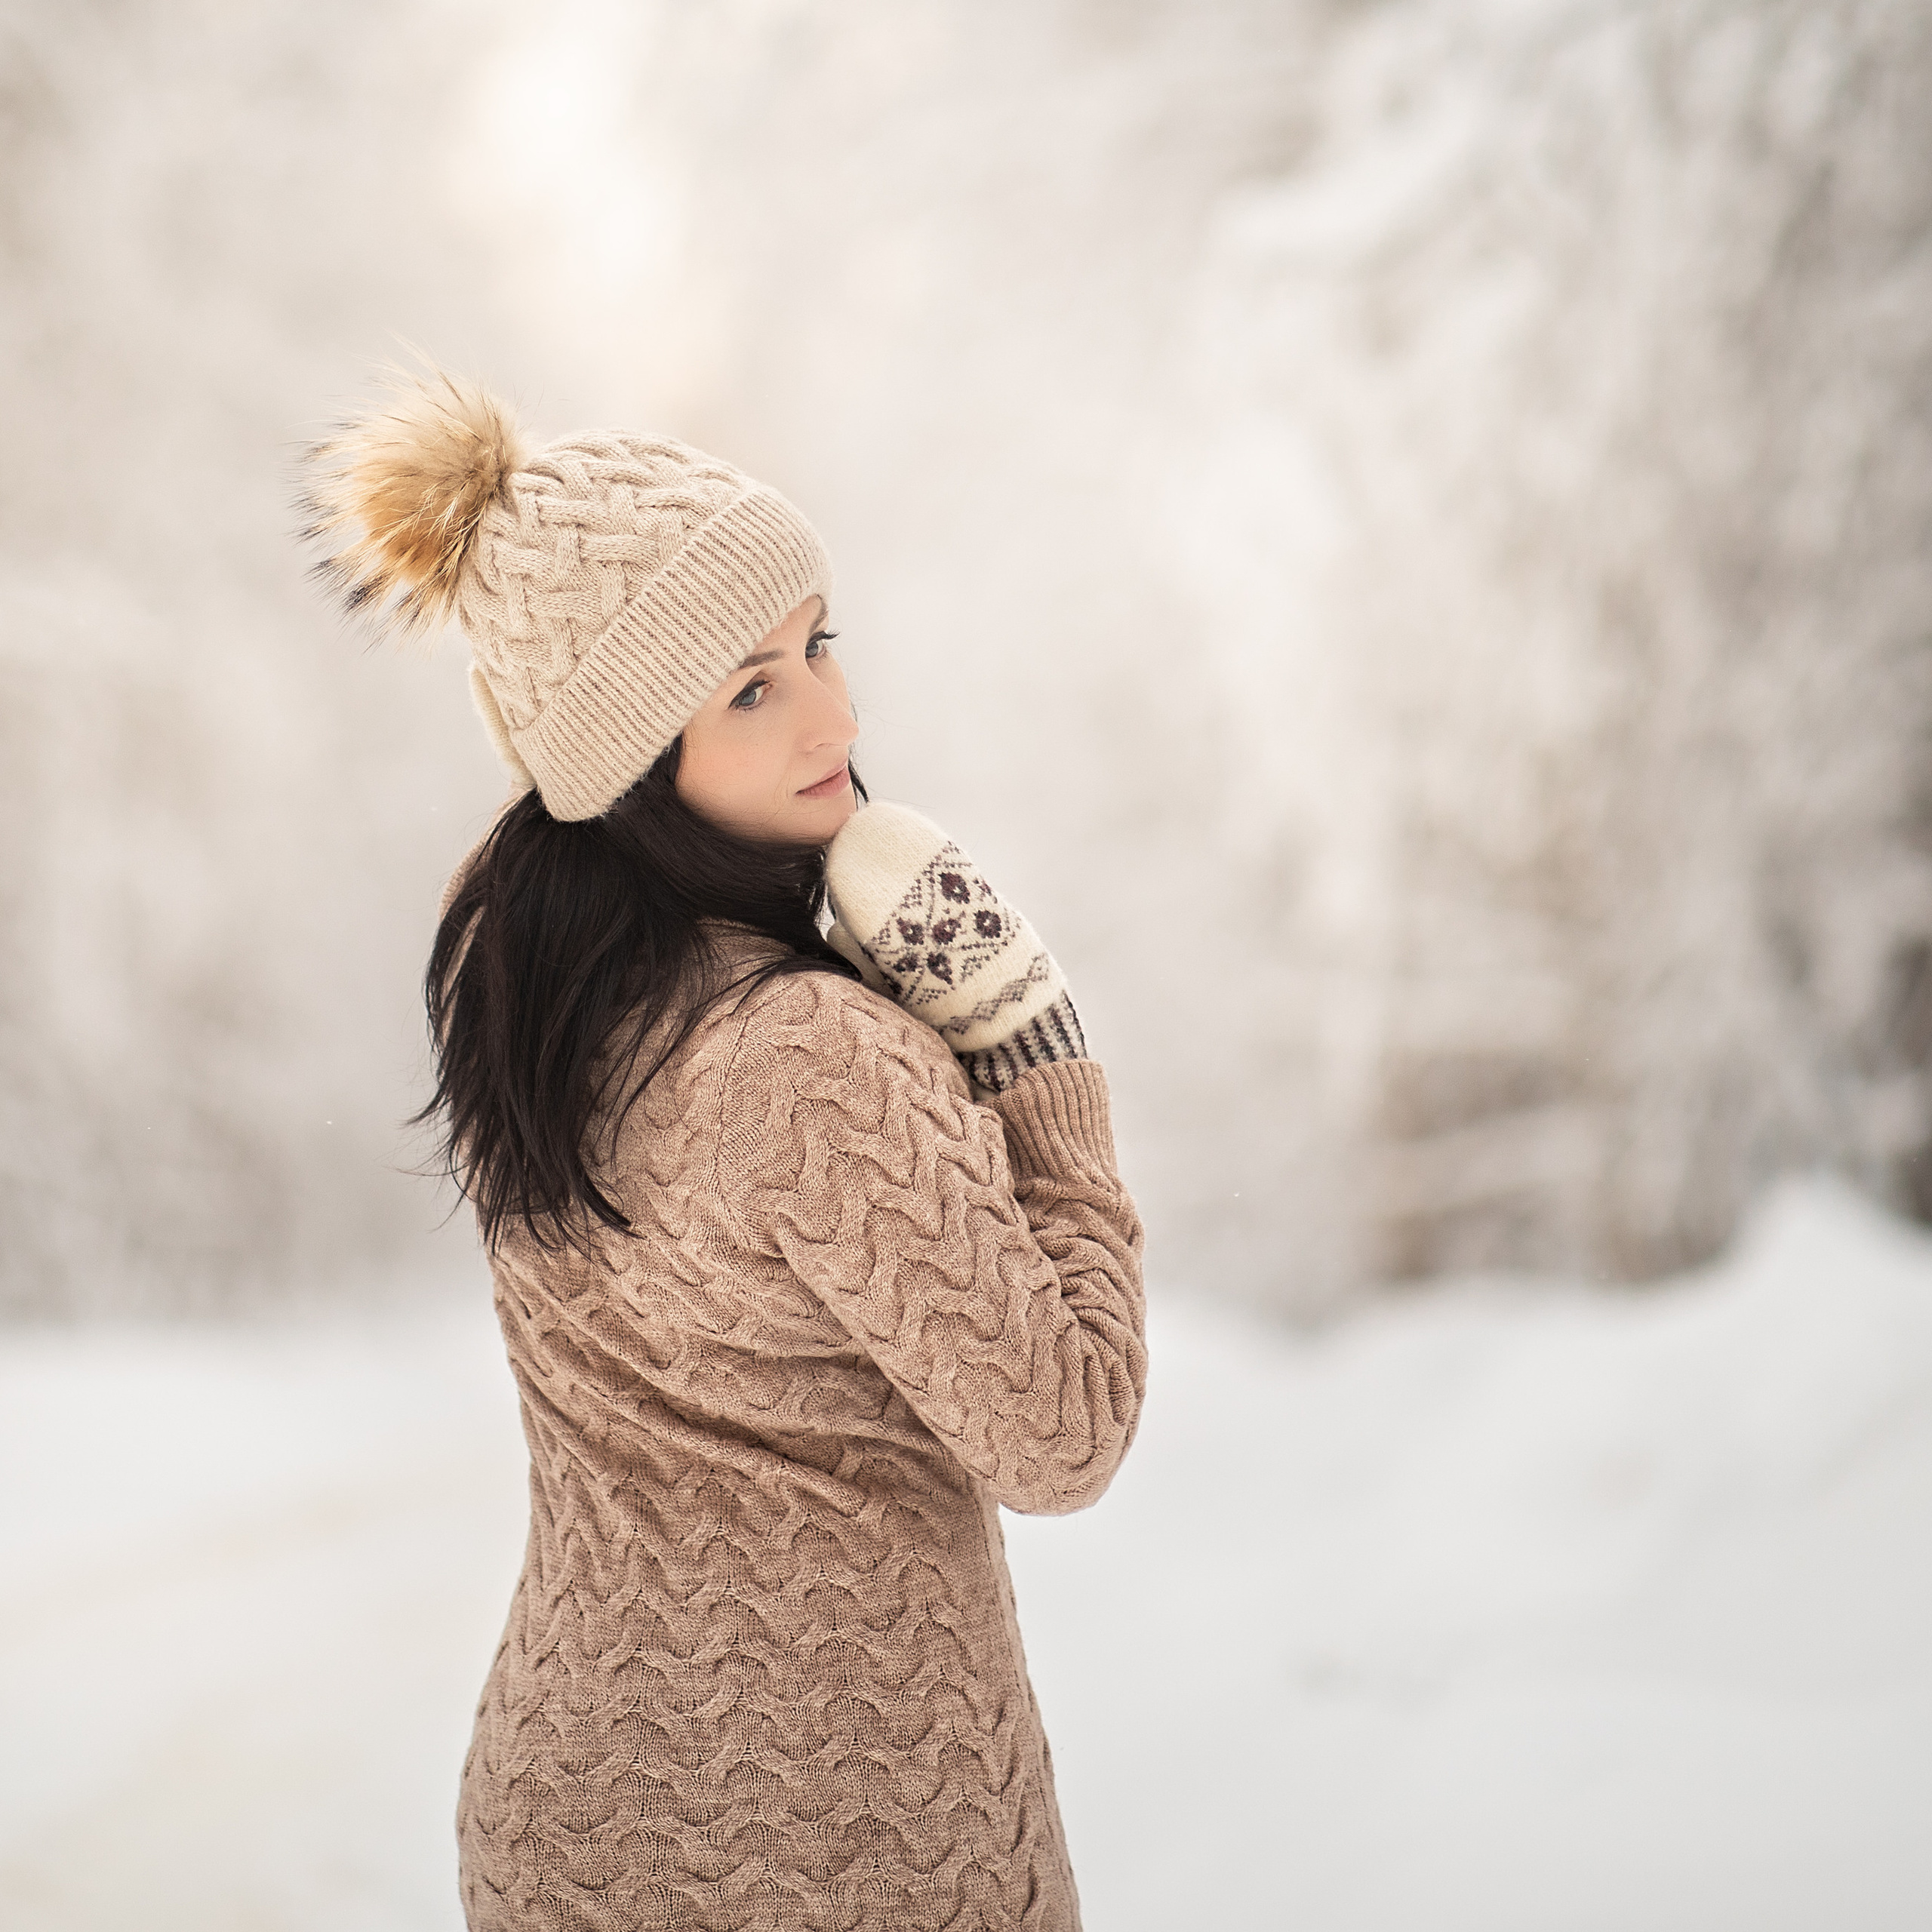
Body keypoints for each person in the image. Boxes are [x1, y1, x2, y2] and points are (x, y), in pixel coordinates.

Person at [302, 369, 1147, 1932]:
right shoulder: (810, 1054)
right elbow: (1064, 1433)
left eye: (817, 642)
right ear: (631, 757)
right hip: (843, 1837)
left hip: (563, 1812)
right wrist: (1037, 1065)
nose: (833, 712)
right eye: (749, 688)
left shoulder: (538, 1007)